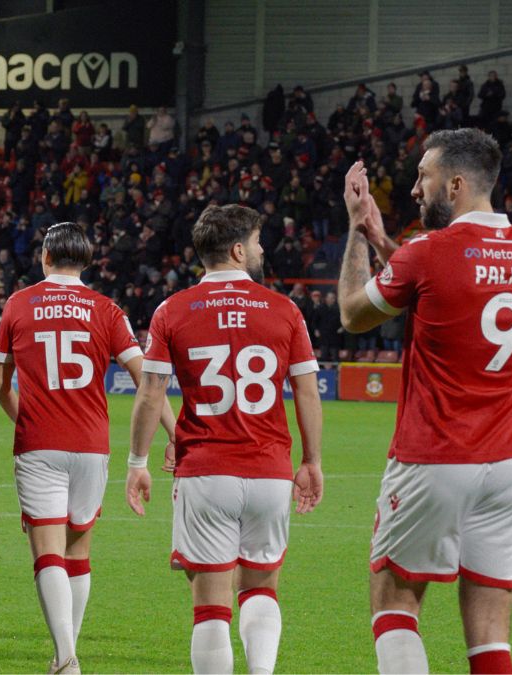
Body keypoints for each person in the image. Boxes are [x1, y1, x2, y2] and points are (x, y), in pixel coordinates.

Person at [337, 128, 512, 674]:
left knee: (394, 602)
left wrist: (357, 232)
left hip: (436, 456)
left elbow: (353, 313)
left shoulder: (429, 252)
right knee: (490, 634)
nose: (414, 189)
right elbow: (447, 287)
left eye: (423, 177)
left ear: (455, 185)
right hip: (510, 466)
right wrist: (385, 241)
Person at [127, 204, 324, 674]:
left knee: (211, 607)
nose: (261, 249)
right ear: (237, 250)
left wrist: (137, 461)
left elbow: (151, 392)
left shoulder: (173, 309)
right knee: (261, 589)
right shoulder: (285, 310)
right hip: (270, 472)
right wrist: (312, 460)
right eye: (256, 242)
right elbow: (306, 390)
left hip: (206, 472)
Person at [0, 222, 175, 674]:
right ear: (87, 261)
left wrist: (27, 419)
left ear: (45, 257)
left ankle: (66, 658)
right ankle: (64, 656)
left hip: (39, 443)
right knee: (78, 552)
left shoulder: (18, 304)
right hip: (92, 445)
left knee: (47, 552)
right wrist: (176, 433)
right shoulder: (107, 310)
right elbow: (147, 378)